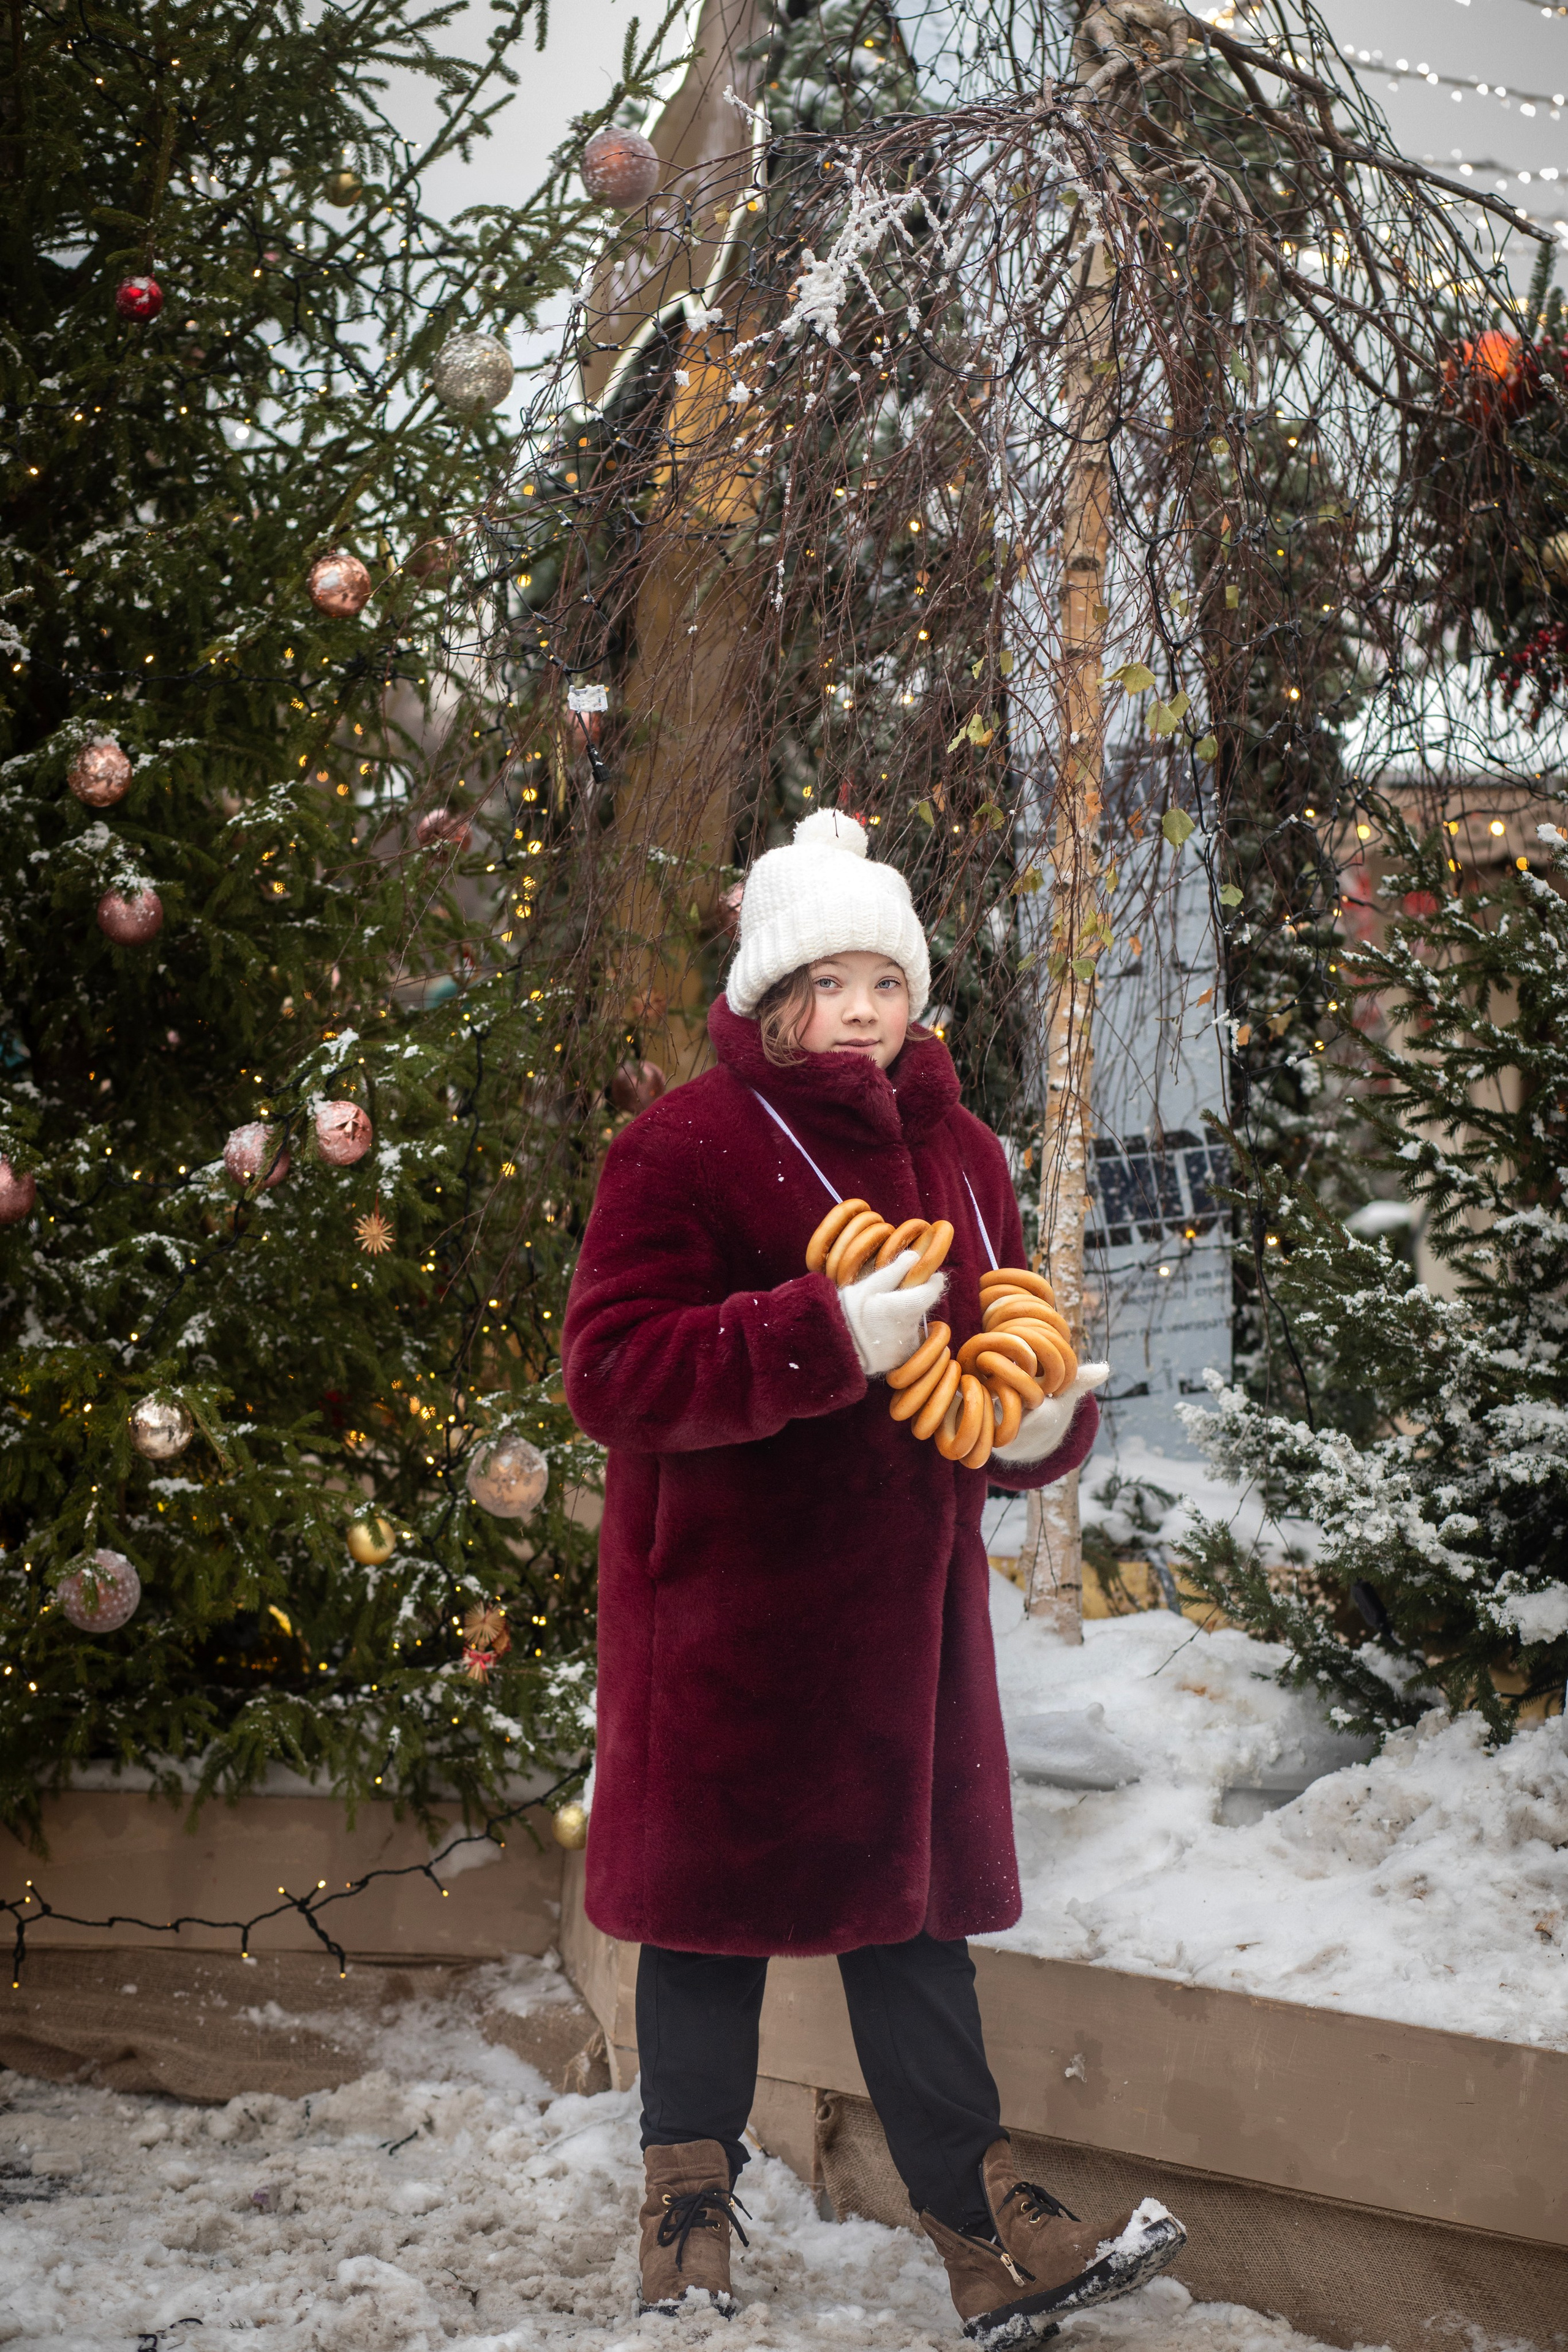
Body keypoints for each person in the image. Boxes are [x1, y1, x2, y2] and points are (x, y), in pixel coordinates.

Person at [562, 810, 1185, 2343]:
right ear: (773, 998)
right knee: (705, 1930)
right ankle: (685, 2216)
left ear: (915, 992)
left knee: (915, 1935)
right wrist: (818, 1337)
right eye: (825, 982)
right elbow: (612, 1374)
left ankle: (985, 2231)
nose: (858, 1009)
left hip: (907, 1639)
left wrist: (1043, 1424)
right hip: (727, 1618)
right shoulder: (681, 1144)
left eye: (882, 980)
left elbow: (980, 1396)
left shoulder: (964, 1155)